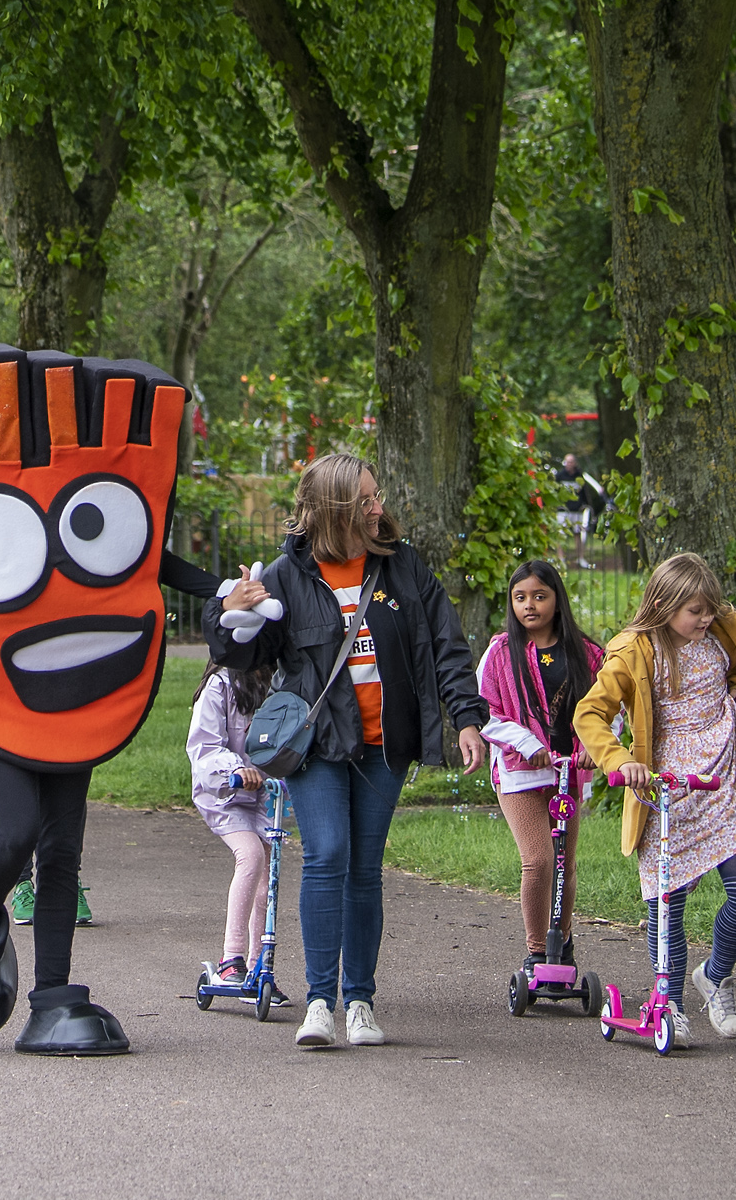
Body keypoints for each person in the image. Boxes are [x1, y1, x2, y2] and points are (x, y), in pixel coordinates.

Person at [0, 336, 230, 1057]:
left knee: (63, 850)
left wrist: (225, 588)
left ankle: (53, 995)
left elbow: (151, 555)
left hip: (82, 691)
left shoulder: (93, 501)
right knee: (19, 827)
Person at [216, 450, 490, 1051]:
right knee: (328, 855)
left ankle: (359, 1000)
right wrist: (228, 616)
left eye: (376, 495)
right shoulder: (287, 577)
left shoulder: (402, 567)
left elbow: (448, 644)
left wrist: (466, 720)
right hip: (317, 745)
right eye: (365, 499)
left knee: (364, 868)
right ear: (335, 509)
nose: (378, 507)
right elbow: (245, 660)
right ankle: (319, 1000)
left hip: (383, 745)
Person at [573, 550, 736, 1041]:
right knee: (667, 905)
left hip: (725, 776)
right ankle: (672, 1006)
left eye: (710, 609)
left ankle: (716, 974)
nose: (706, 619)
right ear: (664, 605)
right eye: (695, 611)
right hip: (666, 787)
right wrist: (622, 762)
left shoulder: (721, 627)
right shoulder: (635, 650)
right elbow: (590, 715)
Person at [477, 557, 605, 982]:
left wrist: (593, 746)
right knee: (538, 859)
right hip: (520, 773)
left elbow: (609, 707)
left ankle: (562, 945)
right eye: (520, 597)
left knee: (564, 861)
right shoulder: (499, 652)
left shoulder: (588, 654)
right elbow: (485, 712)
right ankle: (537, 951)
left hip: (567, 773)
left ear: (556, 599)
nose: (529, 605)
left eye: (539, 596)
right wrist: (527, 743)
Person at [187, 636, 274, 990]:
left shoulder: (275, 683)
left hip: (264, 797)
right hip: (224, 794)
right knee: (250, 856)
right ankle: (230, 959)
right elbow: (205, 746)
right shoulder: (219, 685)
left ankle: (259, 967)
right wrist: (235, 771)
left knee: (269, 878)